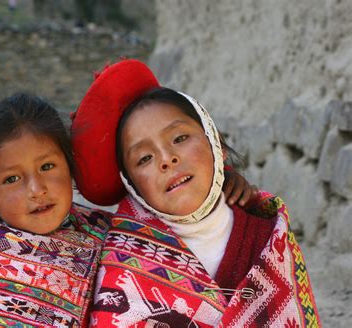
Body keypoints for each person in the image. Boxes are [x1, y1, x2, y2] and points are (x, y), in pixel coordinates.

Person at [71, 60, 321, 327]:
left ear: (215, 144)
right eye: (144, 158)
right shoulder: (122, 263)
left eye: (179, 139)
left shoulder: (268, 239)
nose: (166, 159)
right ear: (132, 185)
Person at [0, 94, 113, 327]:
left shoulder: (109, 235)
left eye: (47, 166)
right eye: (12, 178)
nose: (37, 190)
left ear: (70, 165)